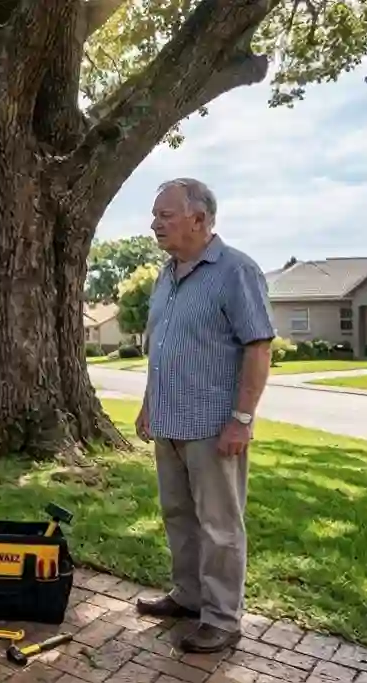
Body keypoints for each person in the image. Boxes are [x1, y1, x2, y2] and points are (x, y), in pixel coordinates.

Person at [134, 178, 274, 654]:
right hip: (169, 421)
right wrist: (149, 401)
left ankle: (222, 618)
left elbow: (258, 346)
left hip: (215, 427)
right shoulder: (166, 274)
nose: (155, 224)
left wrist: (242, 418)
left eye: (165, 215)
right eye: (155, 216)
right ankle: (188, 596)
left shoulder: (237, 271)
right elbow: (162, 347)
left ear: (200, 218)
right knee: (178, 515)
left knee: (219, 524)